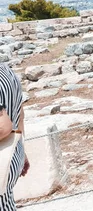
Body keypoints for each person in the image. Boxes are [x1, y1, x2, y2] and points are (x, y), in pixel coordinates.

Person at [0, 63, 29, 211]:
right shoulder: (6, 70)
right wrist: (22, 152)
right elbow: (20, 114)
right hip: (11, 154)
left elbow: (2, 127)